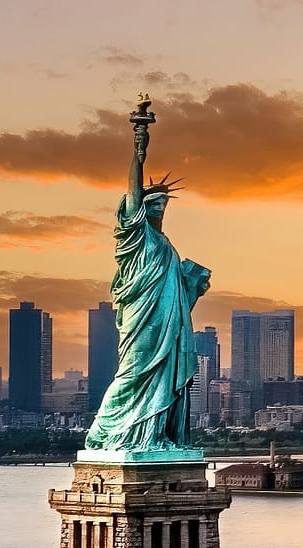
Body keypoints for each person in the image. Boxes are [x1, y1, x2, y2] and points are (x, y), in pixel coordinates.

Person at [83, 99, 211, 452]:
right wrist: (139, 149)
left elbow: (176, 297)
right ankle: (108, 433)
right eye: (153, 205)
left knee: (162, 377)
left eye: (163, 206)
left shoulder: (167, 245)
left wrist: (193, 285)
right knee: (133, 375)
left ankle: (155, 436)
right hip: (141, 320)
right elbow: (133, 193)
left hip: (166, 324)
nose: (159, 210)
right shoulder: (135, 236)